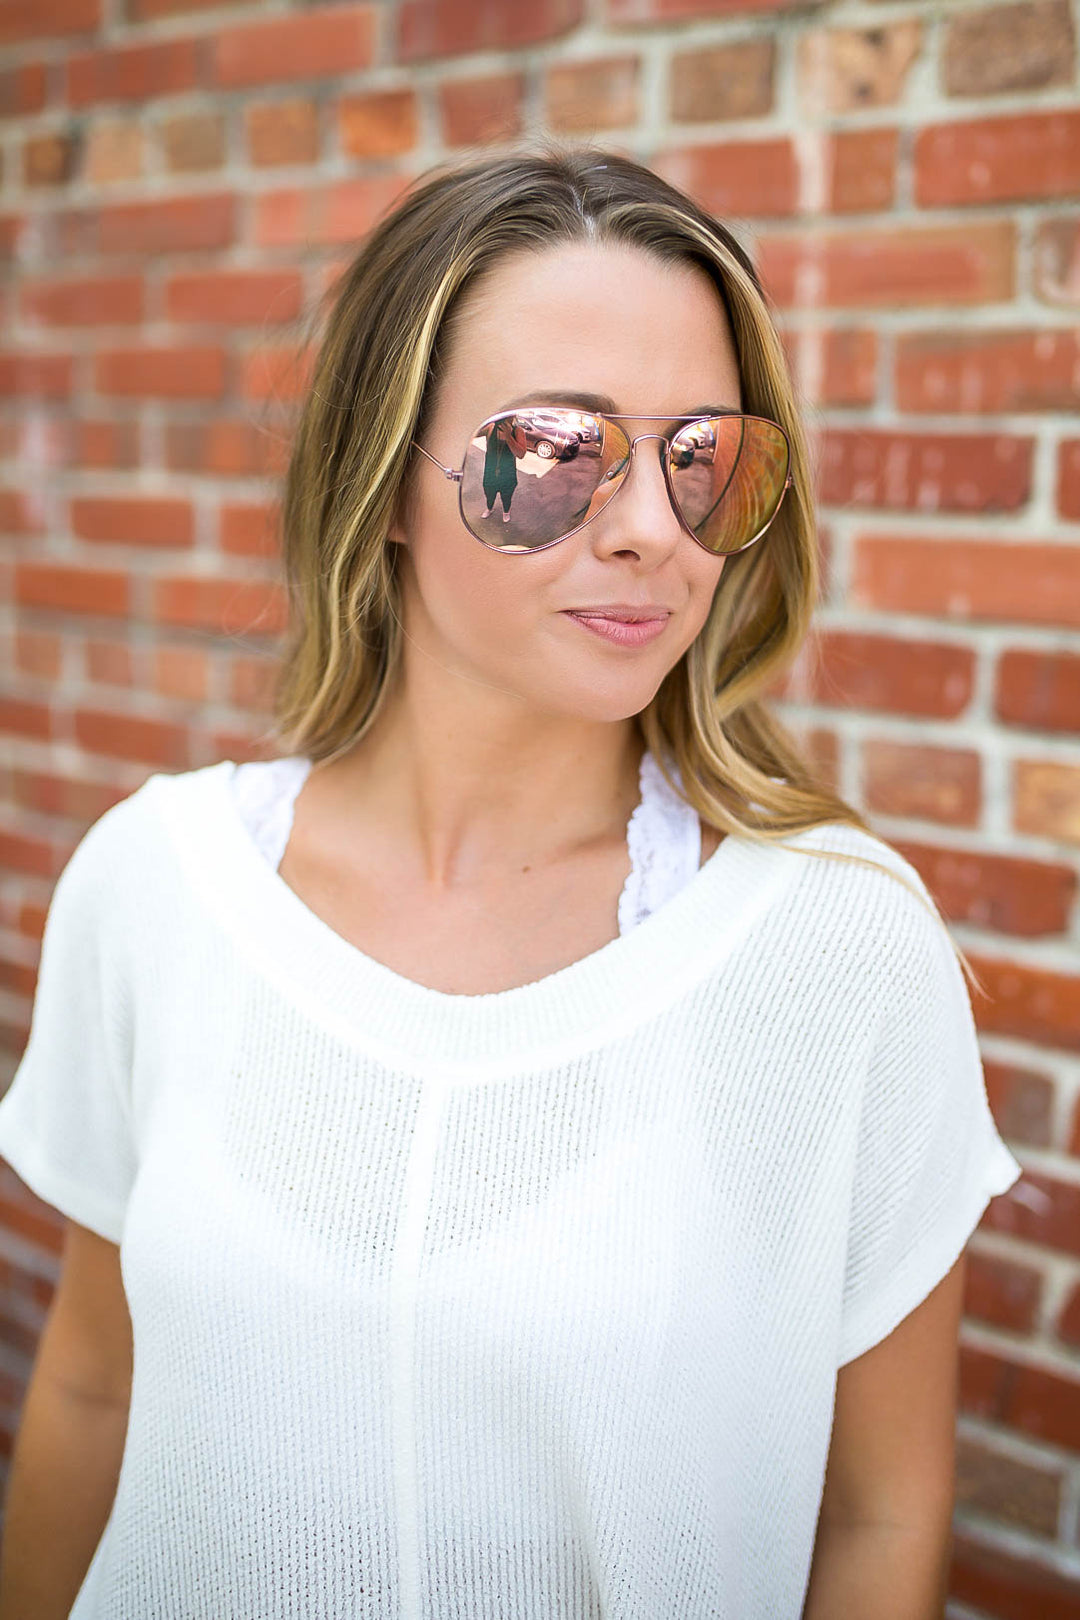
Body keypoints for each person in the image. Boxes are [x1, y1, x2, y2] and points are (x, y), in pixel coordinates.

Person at [0, 139, 1022, 1620]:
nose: (651, 530)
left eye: (703, 458)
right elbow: (95, 1389)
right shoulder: (156, 887)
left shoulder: (839, 948)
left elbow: (880, 1514)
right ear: (385, 481)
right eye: (551, 452)